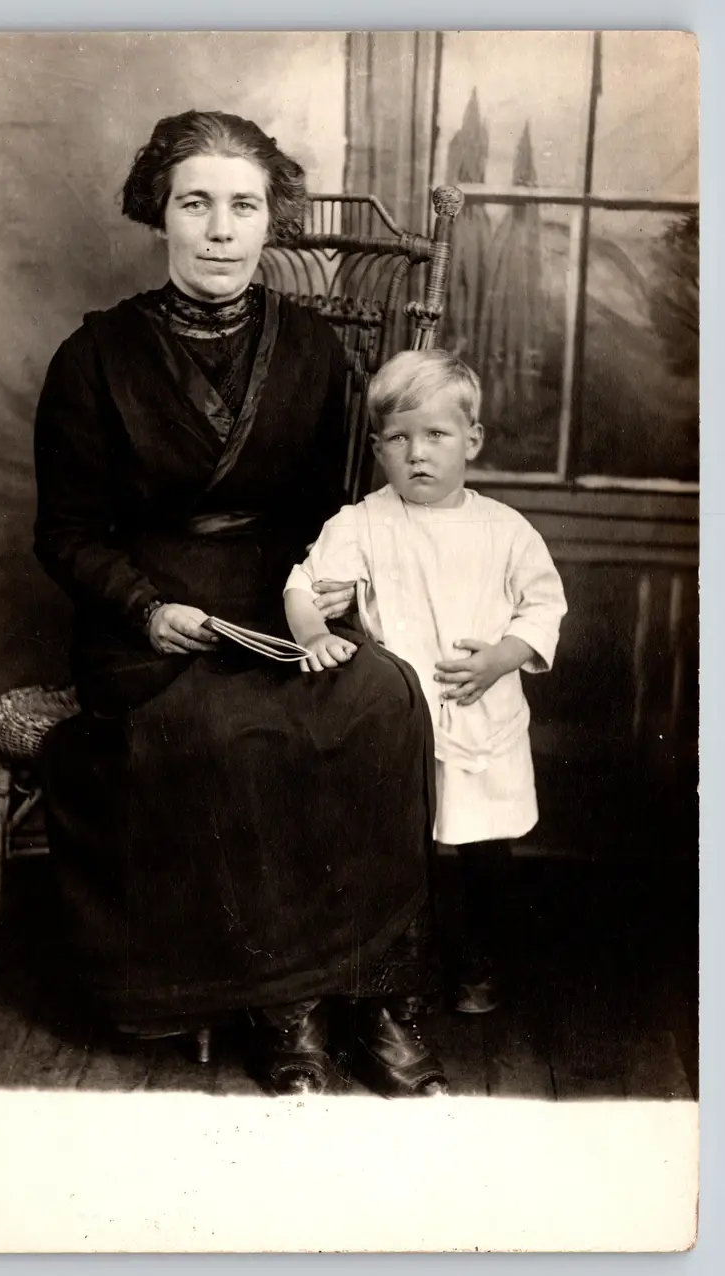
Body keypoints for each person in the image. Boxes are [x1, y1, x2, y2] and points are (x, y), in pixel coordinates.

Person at [33, 110, 450, 1096]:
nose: (221, 230)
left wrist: (332, 590)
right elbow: (66, 534)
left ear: (271, 221)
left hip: (281, 602)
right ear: (159, 214)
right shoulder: (92, 358)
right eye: (196, 204)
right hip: (151, 626)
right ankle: (284, 1011)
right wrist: (145, 607)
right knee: (234, 728)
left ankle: (376, 998)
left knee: (383, 700)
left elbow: (338, 512)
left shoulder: (313, 350)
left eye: (244, 206)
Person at [284, 349, 568, 1015]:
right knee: (401, 852)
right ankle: (403, 970)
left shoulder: (505, 530)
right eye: (398, 439)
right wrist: (314, 633)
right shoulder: (362, 523)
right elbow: (303, 584)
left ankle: (479, 962)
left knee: (483, 850)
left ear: (472, 440)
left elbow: (544, 606)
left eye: (436, 434)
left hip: (481, 721)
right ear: (378, 448)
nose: (417, 454)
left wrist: (502, 656)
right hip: (397, 724)